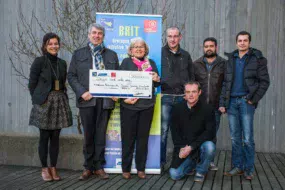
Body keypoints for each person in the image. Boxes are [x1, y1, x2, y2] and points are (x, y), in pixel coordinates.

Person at [67, 23, 119, 180]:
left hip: (105, 101)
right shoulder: (78, 54)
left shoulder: (111, 55)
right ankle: (88, 167)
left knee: (101, 134)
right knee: (89, 134)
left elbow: (117, 77)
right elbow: (71, 76)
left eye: (100, 34)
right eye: (94, 33)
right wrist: (82, 92)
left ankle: (99, 166)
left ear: (103, 36)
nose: (97, 36)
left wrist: (117, 93)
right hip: (87, 101)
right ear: (89, 35)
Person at [219, 31, 270, 180]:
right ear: (236, 42)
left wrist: (252, 99)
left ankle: (248, 169)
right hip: (231, 103)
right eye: (239, 40)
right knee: (235, 138)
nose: (242, 43)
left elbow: (264, 82)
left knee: (247, 138)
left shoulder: (257, 58)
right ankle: (237, 167)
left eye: (245, 40)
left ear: (249, 42)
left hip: (246, 102)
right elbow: (225, 83)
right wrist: (223, 103)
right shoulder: (231, 59)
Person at [28, 33, 73, 181]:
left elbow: (63, 82)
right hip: (44, 103)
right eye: (50, 44)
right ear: (45, 46)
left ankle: (53, 167)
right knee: (44, 137)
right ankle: (44, 169)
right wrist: (38, 100)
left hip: (59, 100)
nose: (54, 46)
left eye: (56, 43)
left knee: (55, 137)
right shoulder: (39, 62)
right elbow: (32, 84)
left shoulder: (62, 63)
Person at [119, 37, 160, 179]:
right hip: (129, 106)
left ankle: (141, 168)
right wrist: (124, 99)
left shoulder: (151, 63)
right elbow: (119, 83)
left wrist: (157, 79)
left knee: (143, 139)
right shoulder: (125, 62)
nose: (138, 49)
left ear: (145, 49)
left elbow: (156, 85)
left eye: (141, 46)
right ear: (130, 50)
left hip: (146, 106)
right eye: (135, 47)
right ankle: (126, 168)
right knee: (127, 138)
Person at [161, 27, 194, 168]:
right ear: (166, 37)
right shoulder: (159, 53)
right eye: (170, 36)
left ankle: (180, 162)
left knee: (183, 132)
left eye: (175, 36)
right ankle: (161, 162)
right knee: (163, 131)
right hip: (165, 98)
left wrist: (190, 95)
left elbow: (191, 77)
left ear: (180, 37)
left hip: (182, 99)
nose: (172, 39)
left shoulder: (186, 55)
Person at [169, 81, 216, 182]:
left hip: (199, 146)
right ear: (184, 93)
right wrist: (182, 148)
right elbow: (175, 132)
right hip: (183, 147)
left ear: (199, 92)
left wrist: (192, 147)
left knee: (210, 147)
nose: (191, 94)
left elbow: (210, 132)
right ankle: (193, 163)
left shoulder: (208, 109)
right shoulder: (177, 109)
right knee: (174, 174)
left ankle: (201, 171)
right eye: (188, 92)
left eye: (194, 91)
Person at [193, 37, 226, 170]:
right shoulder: (196, 64)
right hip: (199, 106)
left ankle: (210, 161)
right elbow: (192, 85)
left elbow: (225, 85)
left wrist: (223, 103)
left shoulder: (224, 64)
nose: (209, 48)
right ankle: (198, 160)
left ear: (216, 47)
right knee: (197, 133)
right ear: (203, 48)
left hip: (215, 106)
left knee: (211, 134)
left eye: (211, 46)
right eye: (206, 46)